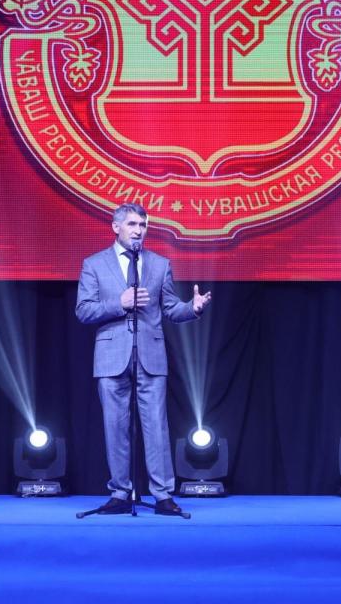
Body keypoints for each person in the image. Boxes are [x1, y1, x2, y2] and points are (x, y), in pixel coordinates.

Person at [75, 202, 212, 515]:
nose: (139, 231)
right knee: (115, 427)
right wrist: (119, 303)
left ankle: (163, 495)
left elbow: (171, 308)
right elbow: (83, 310)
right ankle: (120, 493)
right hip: (111, 357)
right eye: (132, 224)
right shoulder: (94, 264)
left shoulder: (160, 264)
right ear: (116, 227)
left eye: (143, 225)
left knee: (156, 427)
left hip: (150, 355)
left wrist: (192, 308)